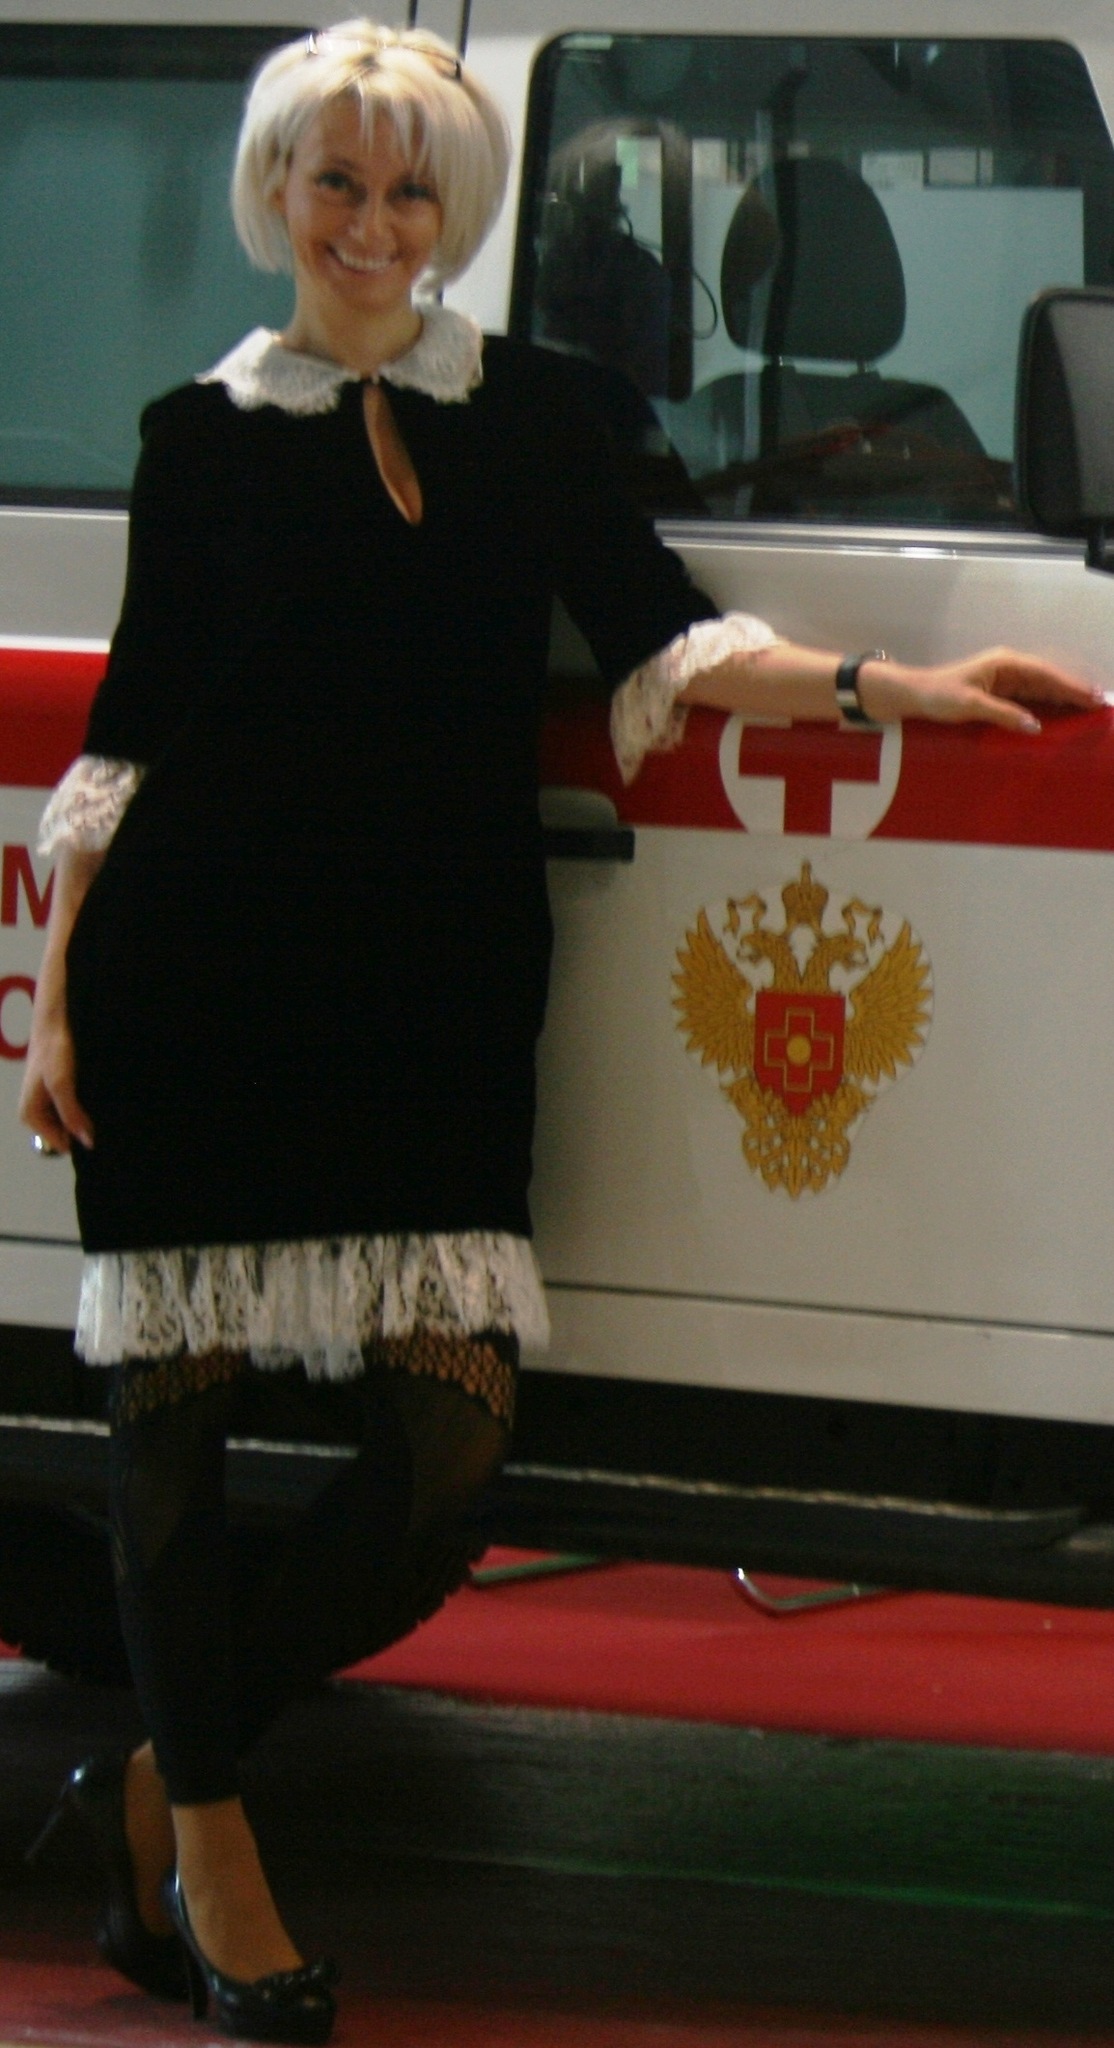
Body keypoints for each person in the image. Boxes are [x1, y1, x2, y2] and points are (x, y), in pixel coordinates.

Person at [17, 20, 1102, 2045]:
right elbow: (127, 739)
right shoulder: (198, 432)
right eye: (335, 183)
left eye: (408, 188)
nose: (371, 223)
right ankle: (217, 1867)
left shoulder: (530, 416)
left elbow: (669, 631)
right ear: (276, 195)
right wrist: (57, 999)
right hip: (197, 972)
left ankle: (167, 1768)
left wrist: (885, 688)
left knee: (449, 1451)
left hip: (429, 979)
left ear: (457, 209)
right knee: (166, 1437)